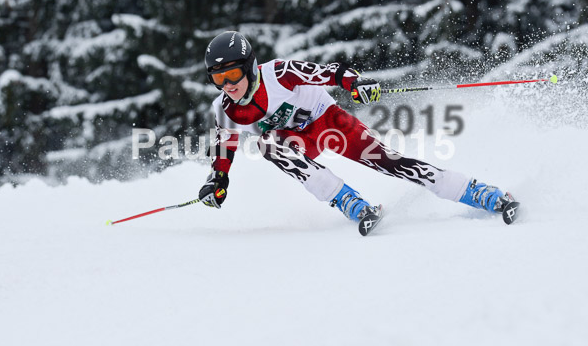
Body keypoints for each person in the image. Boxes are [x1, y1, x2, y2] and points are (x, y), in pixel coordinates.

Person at [198, 31, 517, 233]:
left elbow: (327, 72)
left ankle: (477, 192)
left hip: (330, 122)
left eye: (233, 74)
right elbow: (224, 147)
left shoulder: (278, 74)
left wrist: (354, 83)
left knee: (390, 162)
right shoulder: (225, 109)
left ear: (250, 66)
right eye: (218, 79)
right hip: (298, 142)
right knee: (269, 145)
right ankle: (348, 201)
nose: (228, 85)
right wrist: (218, 181)